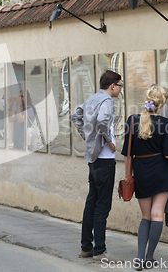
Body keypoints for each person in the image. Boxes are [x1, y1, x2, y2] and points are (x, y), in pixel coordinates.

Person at [71, 70, 122, 263]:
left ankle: (86, 247)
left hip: (93, 158)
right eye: (119, 85)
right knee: (103, 205)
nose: (120, 89)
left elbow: (76, 117)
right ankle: (100, 251)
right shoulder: (107, 101)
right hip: (105, 159)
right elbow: (102, 122)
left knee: (91, 202)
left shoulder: (92, 98)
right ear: (112, 86)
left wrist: (88, 138)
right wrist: (108, 140)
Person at [122, 85, 168, 270]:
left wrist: (128, 174)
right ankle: (149, 257)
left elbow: (127, 154)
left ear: (147, 98)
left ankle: (138, 258)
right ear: (161, 103)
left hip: (142, 172)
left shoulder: (132, 120)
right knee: (157, 214)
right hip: (162, 173)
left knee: (145, 216)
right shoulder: (166, 123)